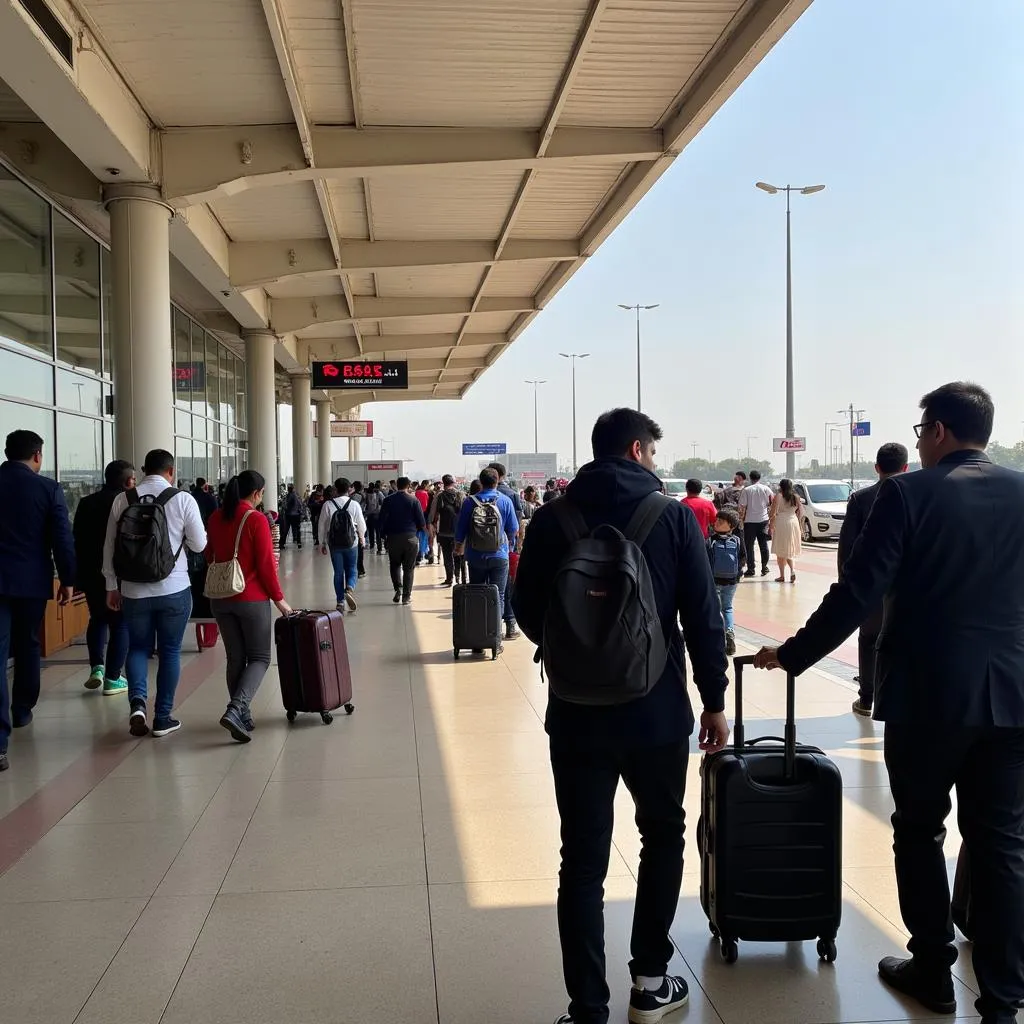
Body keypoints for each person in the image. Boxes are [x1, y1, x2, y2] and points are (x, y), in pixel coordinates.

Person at [754, 382, 1024, 1023]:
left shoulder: (907, 493)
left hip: (928, 696)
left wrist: (792, 656)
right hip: (1013, 696)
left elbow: (857, 595)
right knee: (1003, 842)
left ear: (935, 431)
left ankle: (932, 968)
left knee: (921, 829)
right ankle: (1006, 1000)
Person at [511, 408, 730, 1024]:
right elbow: (703, 617)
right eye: (654, 453)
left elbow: (527, 607)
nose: (656, 463)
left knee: (581, 859)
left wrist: (576, 655)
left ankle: (587, 1007)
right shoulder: (673, 517)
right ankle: (651, 982)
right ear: (637, 450)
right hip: (656, 711)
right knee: (661, 835)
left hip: (576, 714)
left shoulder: (554, 518)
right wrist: (713, 698)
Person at [103, 449, 207, 739]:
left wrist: (112, 586)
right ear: (171, 471)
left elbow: (110, 547)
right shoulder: (183, 499)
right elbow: (199, 545)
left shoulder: (123, 499)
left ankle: (137, 704)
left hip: (134, 590)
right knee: (170, 651)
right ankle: (162, 718)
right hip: (174, 588)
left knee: (137, 647)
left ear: (143, 469)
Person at [0, 430, 76, 772]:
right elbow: (62, 537)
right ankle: (22, 709)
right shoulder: (48, 489)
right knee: (28, 643)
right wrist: (68, 580)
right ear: (37, 455)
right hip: (31, 582)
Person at [205, 470, 291, 741]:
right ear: (256, 493)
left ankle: (243, 716)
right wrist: (280, 600)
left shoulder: (216, 517)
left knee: (235, 658)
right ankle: (236, 709)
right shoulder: (255, 519)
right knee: (260, 658)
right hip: (250, 598)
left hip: (220, 598)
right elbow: (266, 566)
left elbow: (209, 554)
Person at [839, 442, 909, 718]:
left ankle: (867, 697)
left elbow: (848, 546)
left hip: (870, 587)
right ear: (905, 467)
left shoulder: (861, 498)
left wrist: (848, 585)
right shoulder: (915, 494)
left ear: (877, 467)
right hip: (905, 587)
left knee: (869, 639)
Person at [73, 459, 135, 696]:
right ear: (128, 481)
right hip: (119, 575)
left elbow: (76, 538)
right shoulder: (128, 503)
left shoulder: (87, 503)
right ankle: (112, 677)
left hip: (90, 574)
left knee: (97, 619)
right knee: (120, 624)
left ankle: (96, 668)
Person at [454, 468, 518, 654]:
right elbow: (513, 529)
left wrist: (459, 547)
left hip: (475, 556)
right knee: (497, 596)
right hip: (499, 556)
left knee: (477, 596)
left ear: (480, 482)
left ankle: (477, 641)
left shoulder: (469, 502)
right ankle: (495, 640)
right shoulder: (505, 501)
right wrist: (509, 546)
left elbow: (461, 530)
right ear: (497, 481)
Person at [487, 461, 525, 641]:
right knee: (506, 588)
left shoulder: (476, 496)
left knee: (483, 588)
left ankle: (485, 628)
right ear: (502, 475)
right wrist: (515, 545)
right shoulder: (511, 495)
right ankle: (510, 625)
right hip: (504, 549)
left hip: (479, 551)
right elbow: (517, 526)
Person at [319, 478, 367, 612]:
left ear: (335, 489)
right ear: (349, 489)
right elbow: (361, 524)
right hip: (352, 543)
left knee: (338, 572)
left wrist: (322, 542)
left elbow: (322, 525)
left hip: (334, 544)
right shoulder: (354, 504)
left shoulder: (328, 504)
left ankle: (340, 602)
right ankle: (350, 588)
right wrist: (362, 538)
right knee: (352, 569)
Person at [380, 477, 425, 605]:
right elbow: (421, 522)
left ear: (396, 485)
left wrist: (383, 536)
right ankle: (406, 597)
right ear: (408, 485)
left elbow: (382, 520)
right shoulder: (413, 500)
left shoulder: (388, 500)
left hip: (393, 538)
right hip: (410, 538)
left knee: (394, 565)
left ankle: (397, 589)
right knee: (409, 569)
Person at [707, 508, 746, 656]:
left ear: (731, 526)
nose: (716, 523)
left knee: (716, 609)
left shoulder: (711, 540)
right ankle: (730, 632)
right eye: (717, 520)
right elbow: (743, 557)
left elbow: (706, 560)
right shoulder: (736, 539)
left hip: (715, 580)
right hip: (732, 581)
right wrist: (737, 573)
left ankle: (718, 638)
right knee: (728, 608)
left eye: (720, 521)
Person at [432, 474, 465, 587]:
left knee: (447, 556)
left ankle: (449, 579)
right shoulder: (461, 495)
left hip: (444, 532)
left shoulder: (439, 496)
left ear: (443, 483)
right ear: (453, 483)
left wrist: (433, 526)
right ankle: (459, 578)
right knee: (458, 555)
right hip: (458, 532)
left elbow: (435, 515)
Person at [738, 469, 772, 578]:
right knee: (763, 544)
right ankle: (764, 567)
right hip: (763, 520)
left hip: (750, 521)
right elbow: (771, 502)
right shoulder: (766, 489)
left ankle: (751, 569)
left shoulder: (746, 490)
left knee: (749, 546)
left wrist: (741, 521)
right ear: (759, 478)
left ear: (750, 478)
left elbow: (742, 506)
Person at [768, 478, 803, 583]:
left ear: (780, 486)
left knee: (781, 550)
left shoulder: (778, 496)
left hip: (781, 522)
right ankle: (792, 570)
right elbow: (801, 511)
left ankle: (782, 575)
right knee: (789, 548)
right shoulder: (796, 497)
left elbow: (773, 513)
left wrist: (771, 525)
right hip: (793, 521)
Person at [363, 482, 384, 555]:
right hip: (377, 515)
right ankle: (379, 548)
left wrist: (365, 514)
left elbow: (364, 504)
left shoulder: (366, 494)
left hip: (369, 515)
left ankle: (372, 546)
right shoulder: (379, 493)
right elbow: (383, 502)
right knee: (378, 532)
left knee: (371, 531)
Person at [280, 483, 303, 549]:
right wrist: (300, 512)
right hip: (296, 515)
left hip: (289, 515)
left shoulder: (289, 495)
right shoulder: (297, 495)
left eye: (289, 488)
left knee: (286, 529)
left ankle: (282, 543)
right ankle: (299, 543)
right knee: (297, 529)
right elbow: (300, 504)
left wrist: (285, 508)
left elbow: (286, 505)